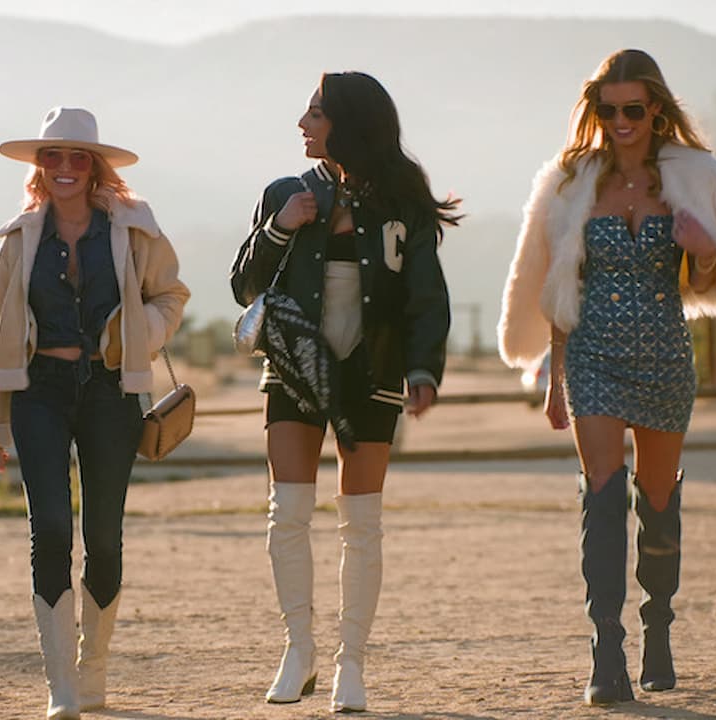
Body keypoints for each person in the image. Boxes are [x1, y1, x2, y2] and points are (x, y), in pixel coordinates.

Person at [498, 49, 716, 706]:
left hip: (664, 359)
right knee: (602, 493)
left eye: (633, 109)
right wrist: (555, 377)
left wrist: (705, 251)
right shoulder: (571, 182)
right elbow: (559, 287)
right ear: (596, 111)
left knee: (657, 503)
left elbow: (710, 283)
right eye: (608, 109)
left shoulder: (691, 177)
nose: (621, 121)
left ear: (655, 109)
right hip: (593, 356)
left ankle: (657, 628)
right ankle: (606, 650)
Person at [230, 72, 458, 713]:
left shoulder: (402, 203)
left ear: (349, 124)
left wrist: (424, 370)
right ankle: (297, 650)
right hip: (294, 372)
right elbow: (243, 286)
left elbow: (426, 296)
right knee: (289, 514)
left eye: (315, 114)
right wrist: (279, 228)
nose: (302, 125)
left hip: (372, 376)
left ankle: (349, 665)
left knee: (362, 525)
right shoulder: (286, 193)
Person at [0, 107, 189, 720]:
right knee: (49, 531)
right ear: (38, 167)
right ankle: (60, 685)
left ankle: (93, 670)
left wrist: (138, 332)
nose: (64, 168)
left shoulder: (132, 227)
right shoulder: (19, 237)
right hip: (37, 390)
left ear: (94, 167)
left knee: (104, 536)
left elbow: (171, 293)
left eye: (77, 157)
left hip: (111, 392)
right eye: (52, 157)